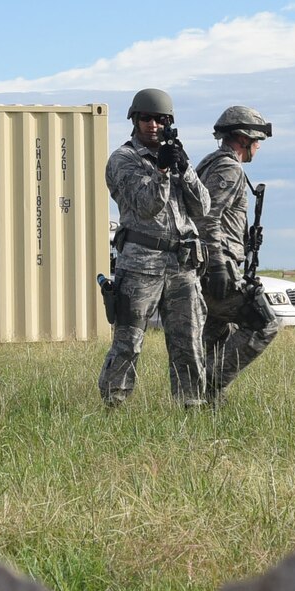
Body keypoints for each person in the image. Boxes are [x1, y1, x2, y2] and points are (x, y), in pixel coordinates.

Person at [99, 88, 212, 407]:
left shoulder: (175, 156)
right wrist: (161, 172)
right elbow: (146, 206)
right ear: (134, 120)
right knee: (128, 342)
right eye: (145, 118)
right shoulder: (122, 159)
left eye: (160, 120)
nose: (152, 125)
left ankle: (190, 406)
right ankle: (115, 405)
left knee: (187, 342)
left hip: (182, 266)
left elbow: (203, 207)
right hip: (139, 267)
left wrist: (185, 169)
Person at [194, 105, 278, 405]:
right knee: (265, 323)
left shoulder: (209, 164)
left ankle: (207, 404)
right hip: (218, 269)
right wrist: (218, 265)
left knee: (215, 337)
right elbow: (208, 217)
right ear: (242, 138)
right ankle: (210, 386)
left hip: (209, 267)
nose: (258, 147)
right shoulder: (228, 168)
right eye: (256, 140)